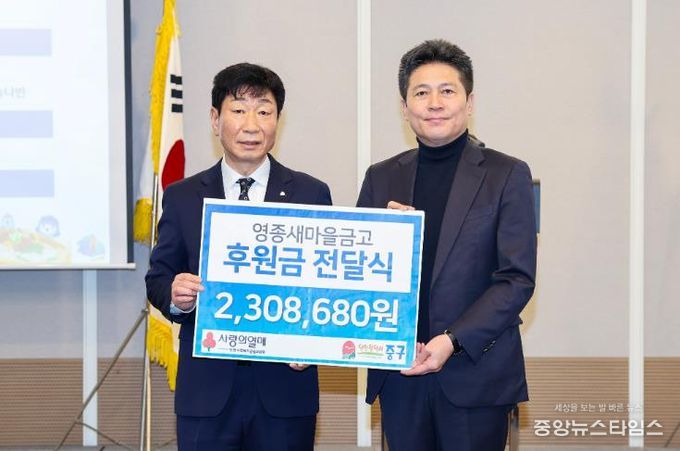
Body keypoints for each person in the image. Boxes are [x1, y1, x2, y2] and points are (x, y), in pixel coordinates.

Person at [357, 39, 537, 451]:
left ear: (469, 102)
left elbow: (516, 280)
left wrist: (451, 340)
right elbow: (358, 274)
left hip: (474, 372)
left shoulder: (506, 174)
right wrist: (386, 237)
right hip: (400, 374)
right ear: (405, 107)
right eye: (421, 92)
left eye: (447, 91)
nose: (434, 103)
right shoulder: (381, 178)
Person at [146, 62, 332, 451]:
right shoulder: (182, 196)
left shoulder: (311, 194)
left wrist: (312, 342)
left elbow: (326, 288)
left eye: (264, 112)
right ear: (216, 120)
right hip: (207, 391)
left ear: (277, 121)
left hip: (285, 389)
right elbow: (158, 277)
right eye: (239, 110)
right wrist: (176, 296)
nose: (251, 125)